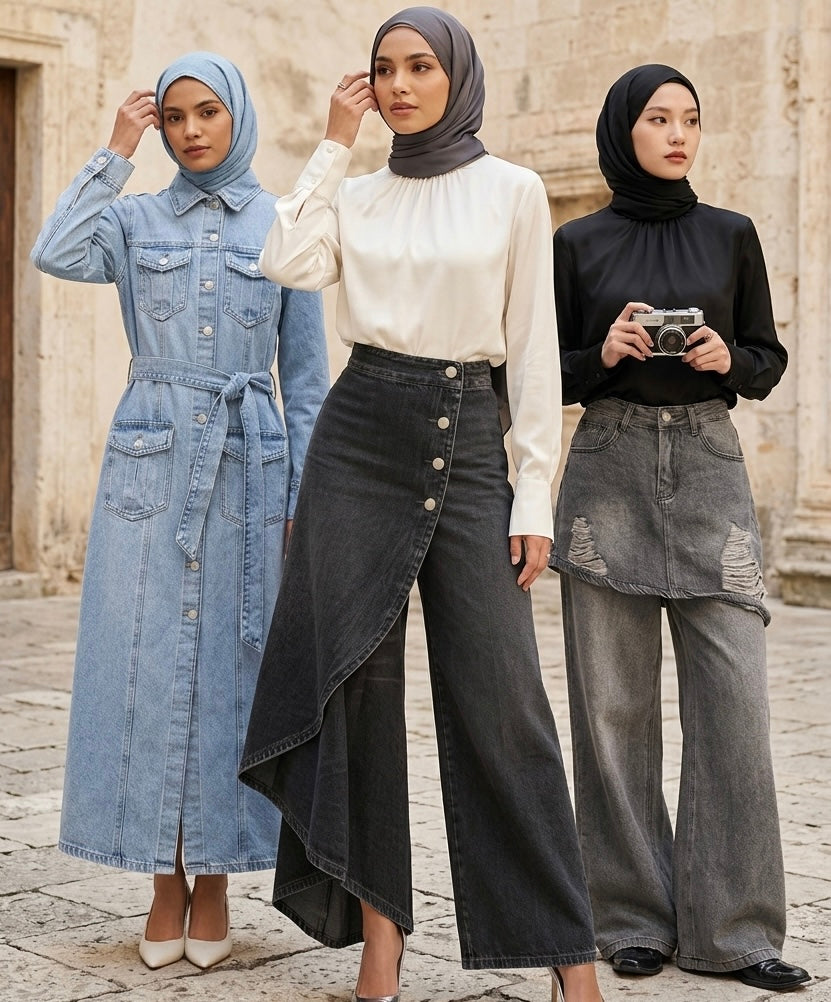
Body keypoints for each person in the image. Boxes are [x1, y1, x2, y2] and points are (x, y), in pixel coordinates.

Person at [239, 8, 604, 1002]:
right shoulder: (358, 195)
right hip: (360, 433)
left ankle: (571, 958)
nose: (399, 86)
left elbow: (531, 351)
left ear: (458, 78)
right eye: (384, 69)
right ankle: (380, 938)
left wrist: (534, 492)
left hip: (472, 438)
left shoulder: (512, 190)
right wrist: (331, 145)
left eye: (420, 67)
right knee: (355, 687)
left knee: (504, 699)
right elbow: (284, 261)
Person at [30, 52, 329, 970]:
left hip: (251, 465)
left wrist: (301, 498)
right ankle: (162, 881)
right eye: (172, 118)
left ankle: (219, 877)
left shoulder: (285, 221)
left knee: (236, 672)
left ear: (236, 116)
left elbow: (305, 379)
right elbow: (54, 250)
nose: (190, 131)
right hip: (148, 470)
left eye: (207, 112)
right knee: (143, 664)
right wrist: (116, 150)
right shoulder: (132, 219)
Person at [549, 63, 811, 993]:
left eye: (689, 119)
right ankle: (627, 920)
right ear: (623, 130)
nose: (676, 134)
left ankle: (735, 933)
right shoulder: (575, 243)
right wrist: (603, 351)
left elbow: (767, 360)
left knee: (733, 709)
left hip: (707, 468)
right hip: (606, 470)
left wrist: (724, 357)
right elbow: (538, 374)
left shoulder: (729, 233)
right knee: (611, 713)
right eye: (658, 119)